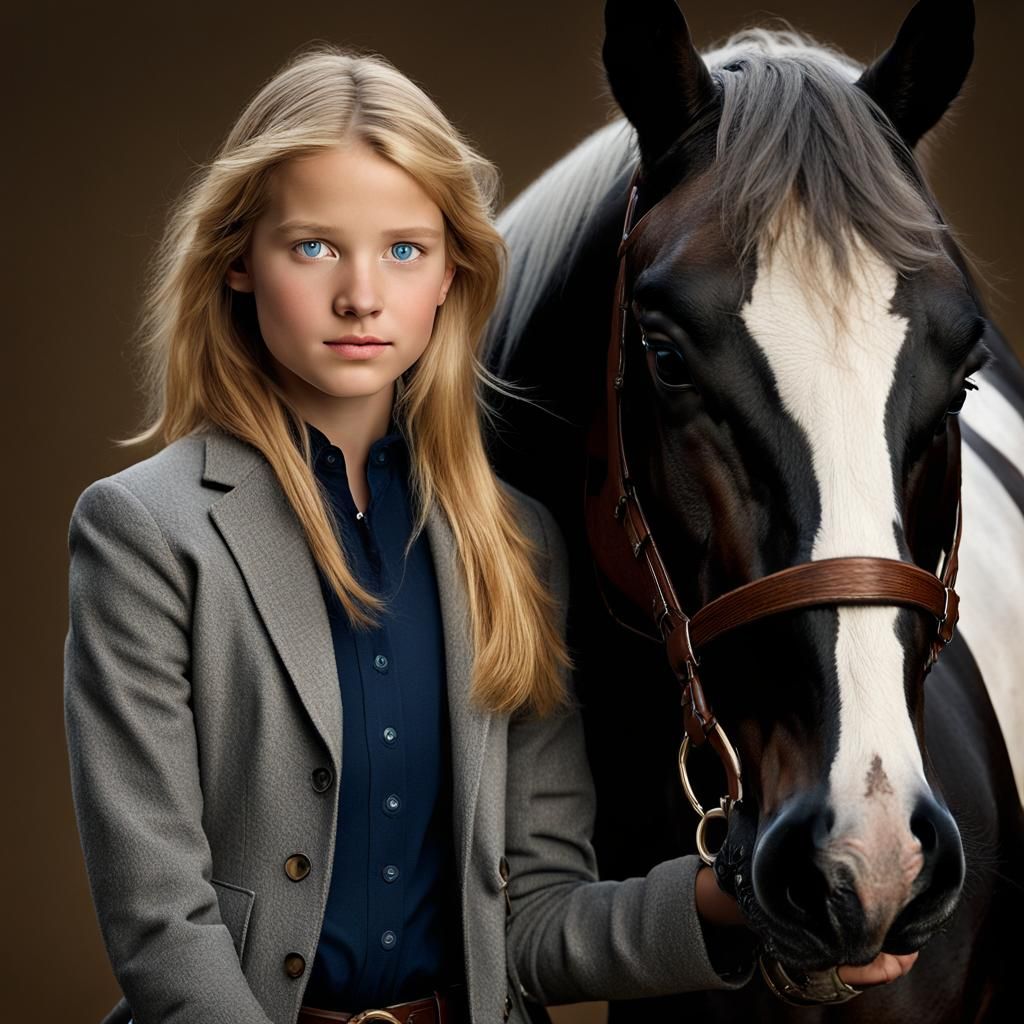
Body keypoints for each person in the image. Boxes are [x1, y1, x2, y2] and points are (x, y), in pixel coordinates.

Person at [62, 44, 916, 1024]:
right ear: (237, 266)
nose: (360, 294)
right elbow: (160, 926)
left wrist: (732, 906)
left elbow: (531, 923)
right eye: (311, 247)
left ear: (450, 276)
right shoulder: (143, 532)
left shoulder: (517, 542)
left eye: (403, 248)